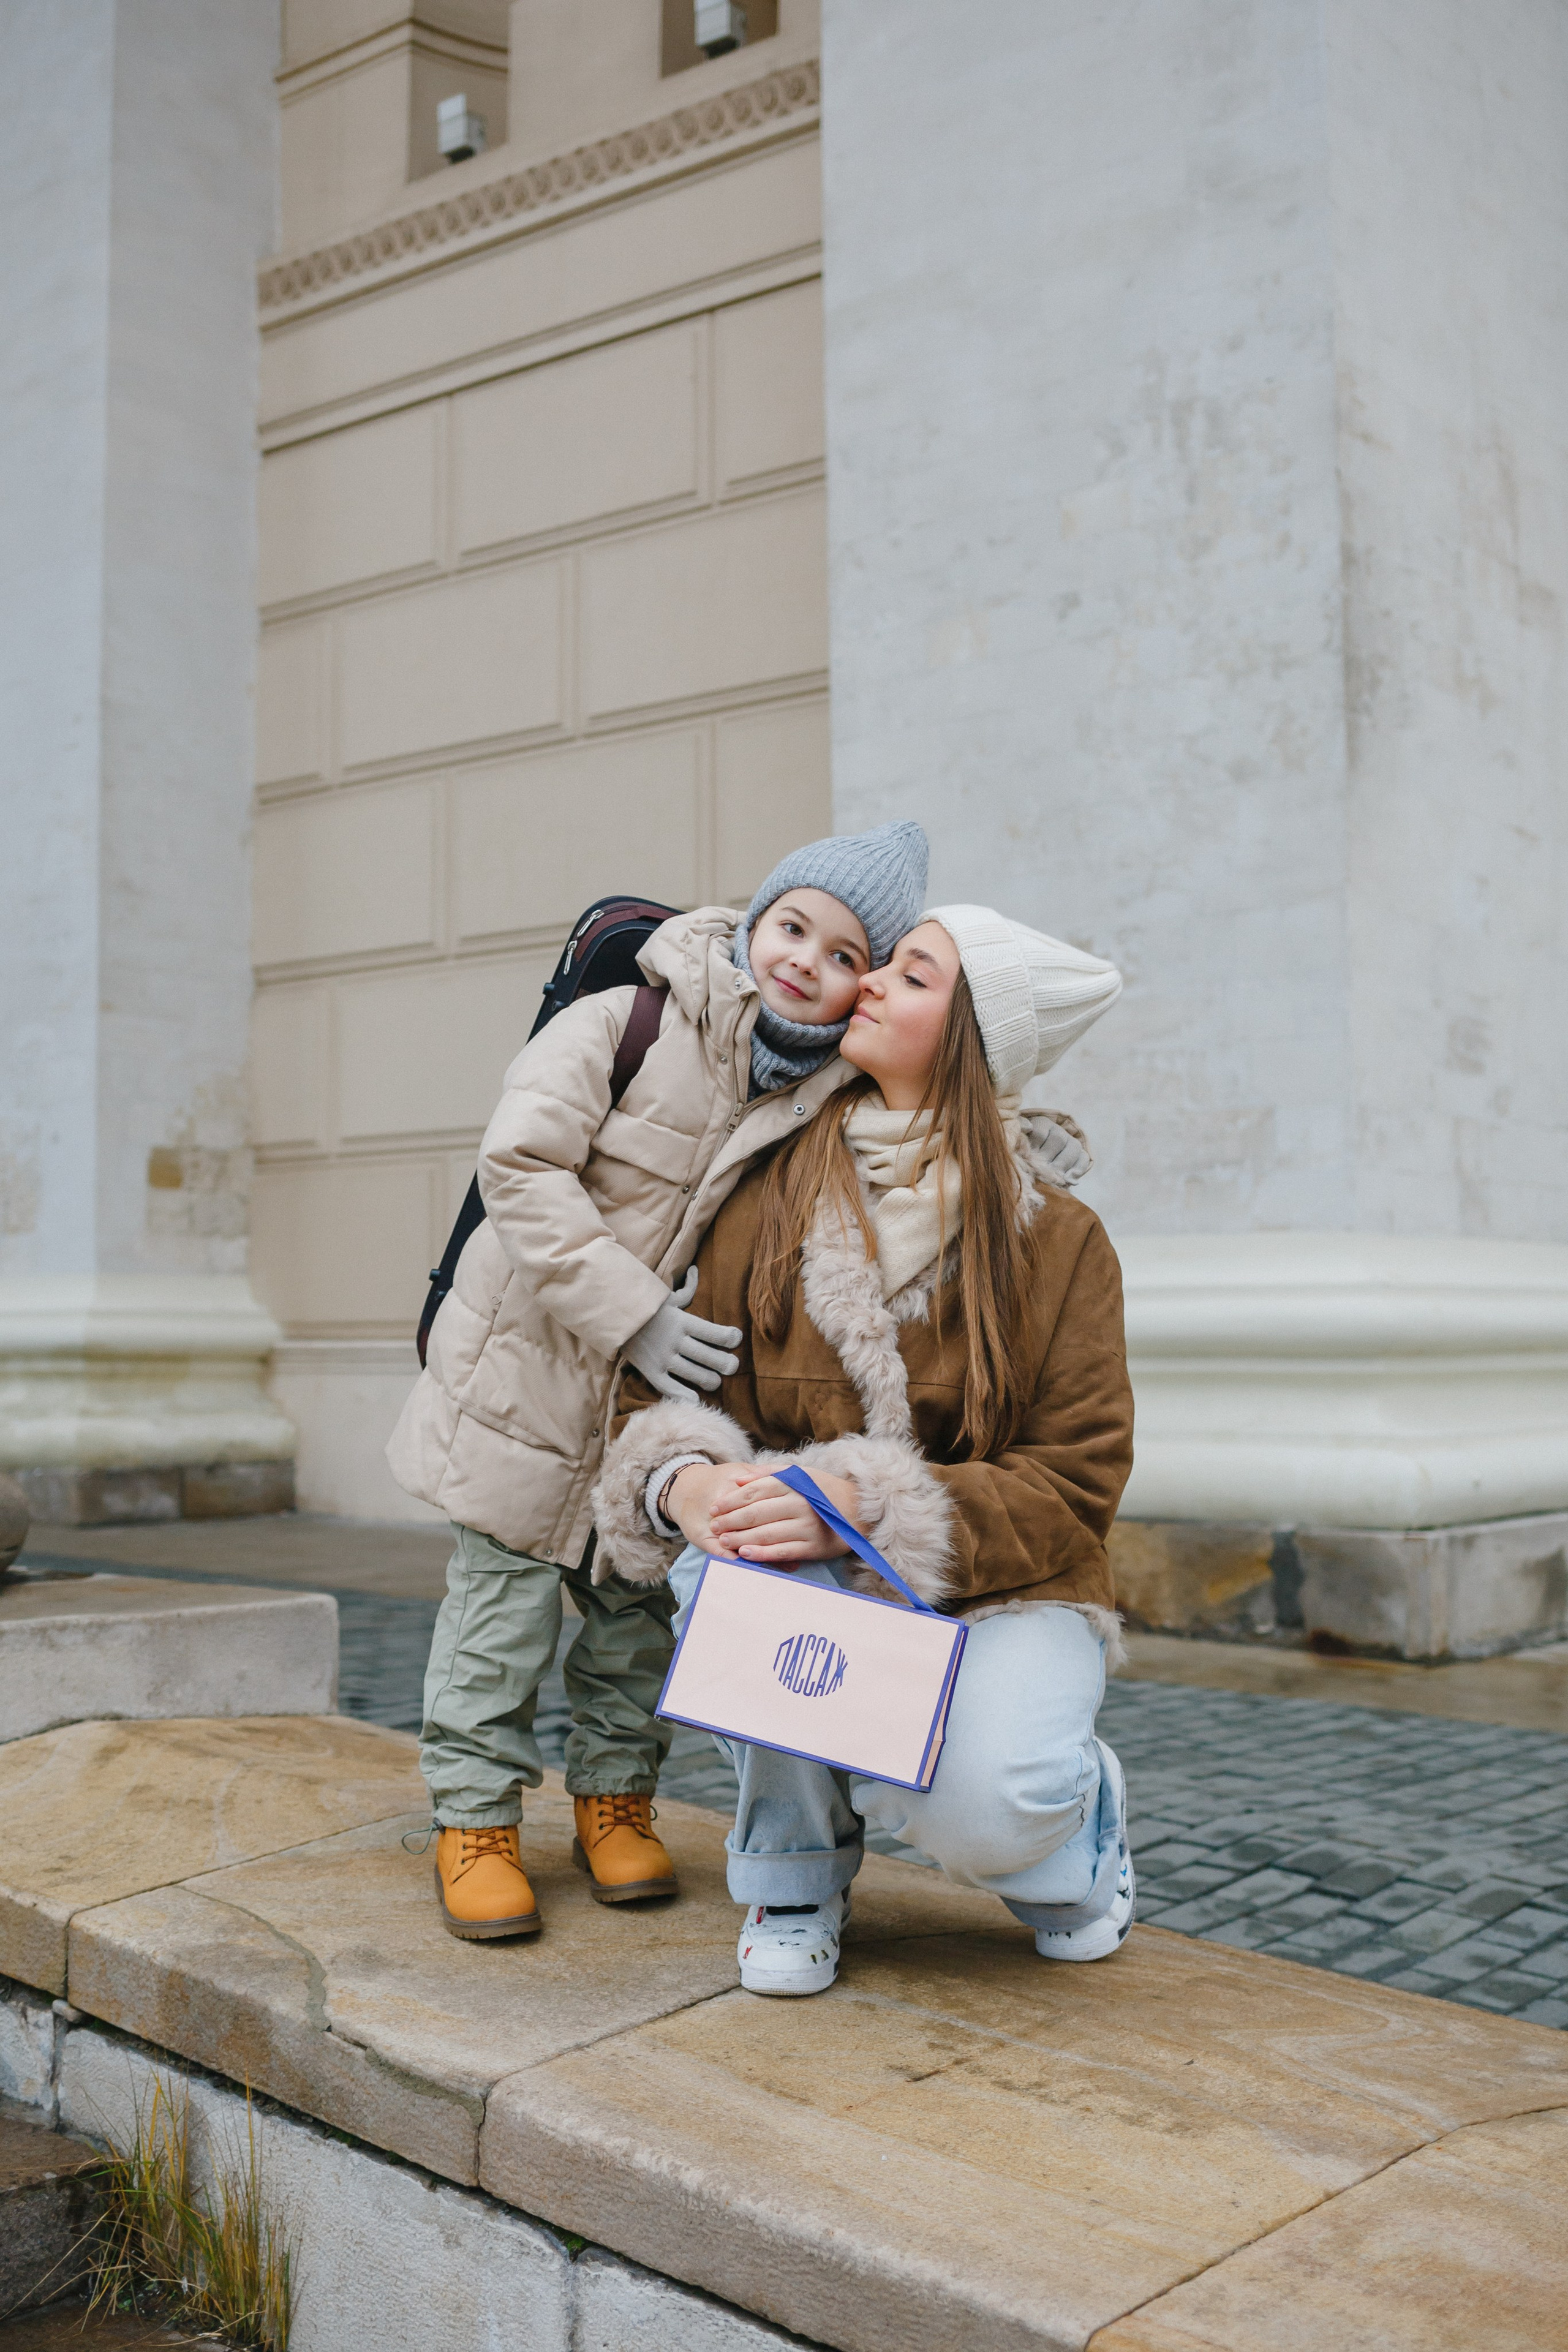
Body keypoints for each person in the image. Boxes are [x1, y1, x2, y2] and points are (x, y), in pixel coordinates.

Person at [385, 823, 935, 1940]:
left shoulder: (824, 1100)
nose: (806, 962)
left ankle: (616, 1800)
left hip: (663, 1417)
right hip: (527, 1380)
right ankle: (475, 1819)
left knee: (634, 1620)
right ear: (756, 919)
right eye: (793, 927)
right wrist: (630, 1312)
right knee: (499, 1618)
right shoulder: (630, 1020)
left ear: (863, 985)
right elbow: (520, 1164)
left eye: (843, 955)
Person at [591, 903, 1132, 1996]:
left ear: (975, 1037)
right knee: (749, 1564)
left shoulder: (1061, 1240)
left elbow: (1075, 1482)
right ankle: (792, 1873)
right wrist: (683, 1483)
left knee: (993, 1807)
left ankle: (1076, 1830)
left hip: (1002, 1587)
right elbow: (660, 1392)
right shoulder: (769, 1186)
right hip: (795, 1573)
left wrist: (863, 1504)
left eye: (914, 976)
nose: (871, 981)